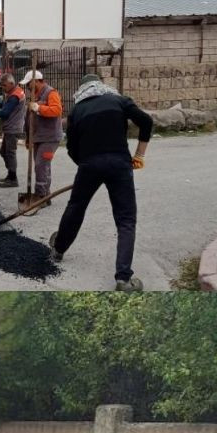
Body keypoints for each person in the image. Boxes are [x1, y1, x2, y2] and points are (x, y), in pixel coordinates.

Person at [50, 74, 154, 292]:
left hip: (89, 166)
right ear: (101, 86)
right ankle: (123, 279)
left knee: (76, 207)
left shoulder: (77, 111)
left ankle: (58, 250)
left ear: (82, 90)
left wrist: (86, 165)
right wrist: (139, 155)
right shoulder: (118, 100)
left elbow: (71, 148)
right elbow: (146, 121)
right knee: (126, 220)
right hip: (119, 165)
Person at [20, 70, 63, 208]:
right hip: (38, 137)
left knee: (40, 166)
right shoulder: (33, 96)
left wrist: (39, 108)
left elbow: (57, 110)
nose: (27, 87)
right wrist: (28, 139)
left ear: (36, 81)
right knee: (43, 167)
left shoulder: (51, 93)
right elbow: (29, 120)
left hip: (50, 138)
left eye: (29, 84)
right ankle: (46, 194)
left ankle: (41, 196)